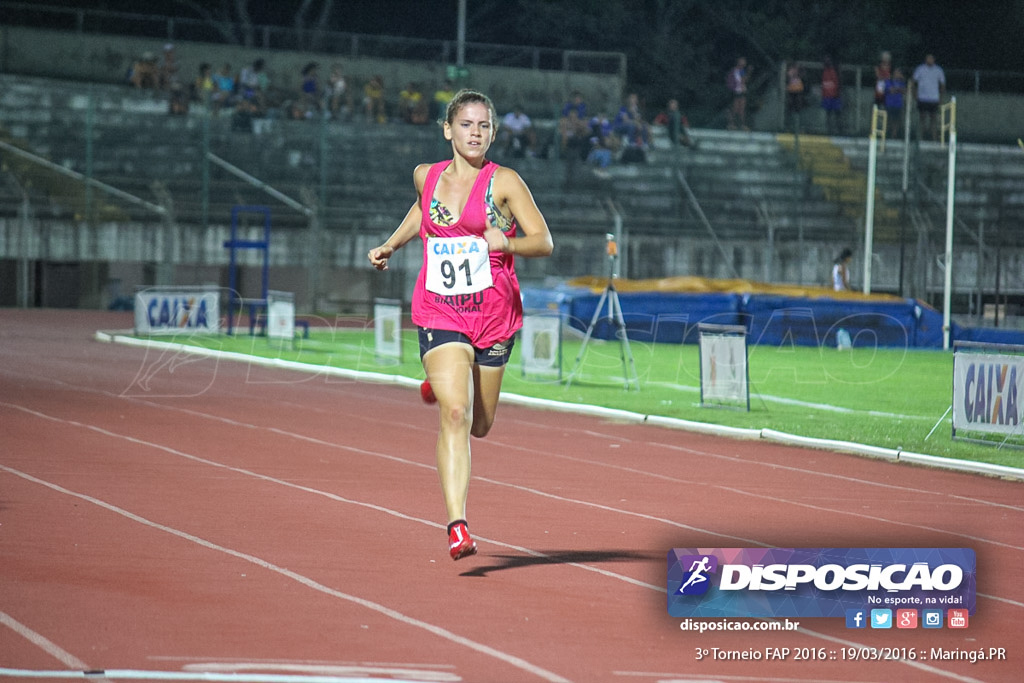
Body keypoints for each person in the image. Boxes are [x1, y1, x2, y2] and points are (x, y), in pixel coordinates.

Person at [367, 89, 553, 561]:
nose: (475, 133)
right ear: (448, 130)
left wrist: (506, 245)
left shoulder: (505, 182)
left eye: (484, 126)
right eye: (466, 124)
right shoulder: (425, 175)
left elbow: (544, 242)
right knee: (456, 414)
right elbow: (422, 211)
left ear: (492, 132)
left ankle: (444, 385)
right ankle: (457, 525)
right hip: (439, 309)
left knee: (481, 424)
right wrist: (392, 244)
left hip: (493, 315)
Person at [912, 53, 946, 142]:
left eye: (931, 58)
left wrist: (940, 97)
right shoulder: (920, 69)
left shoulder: (938, 70)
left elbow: (942, 84)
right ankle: (921, 138)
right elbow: (914, 82)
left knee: (933, 119)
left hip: (934, 98)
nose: (929, 60)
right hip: (922, 98)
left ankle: (934, 138)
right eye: (928, 58)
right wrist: (914, 94)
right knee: (922, 118)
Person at [726, 56, 751, 130]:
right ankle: (731, 124)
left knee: (742, 109)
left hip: (741, 91)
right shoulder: (734, 71)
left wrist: (748, 73)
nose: (743, 64)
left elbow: (744, 80)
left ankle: (742, 124)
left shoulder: (742, 71)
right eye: (742, 62)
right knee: (735, 108)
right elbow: (739, 81)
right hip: (736, 92)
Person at [820, 56, 842, 135]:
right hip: (827, 96)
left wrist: (837, 93)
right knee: (828, 113)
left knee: (837, 113)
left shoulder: (834, 71)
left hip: (834, 95)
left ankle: (838, 129)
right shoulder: (825, 72)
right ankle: (829, 129)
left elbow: (837, 83)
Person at [884, 67, 907, 139]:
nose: (898, 74)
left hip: (898, 104)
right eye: (897, 73)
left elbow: (904, 90)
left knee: (896, 120)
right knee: (889, 119)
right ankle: (887, 134)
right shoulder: (888, 81)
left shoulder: (902, 83)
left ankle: (894, 135)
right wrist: (898, 90)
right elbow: (890, 90)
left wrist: (897, 89)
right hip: (889, 103)